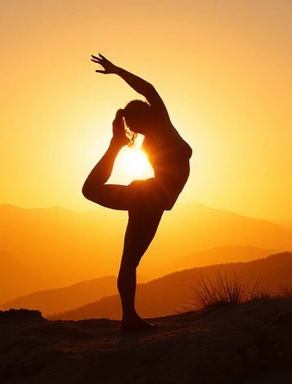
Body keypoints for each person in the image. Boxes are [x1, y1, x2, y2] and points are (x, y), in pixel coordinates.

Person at [82, 54, 193, 332]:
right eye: (133, 128)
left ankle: (129, 318)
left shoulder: (161, 123)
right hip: (149, 197)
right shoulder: (159, 128)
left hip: (150, 197)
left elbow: (148, 89)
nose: (137, 129)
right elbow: (150, 91)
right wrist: (117, 71)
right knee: (129, 258)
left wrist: (118, 71)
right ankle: (129, 318)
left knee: (130, 259)